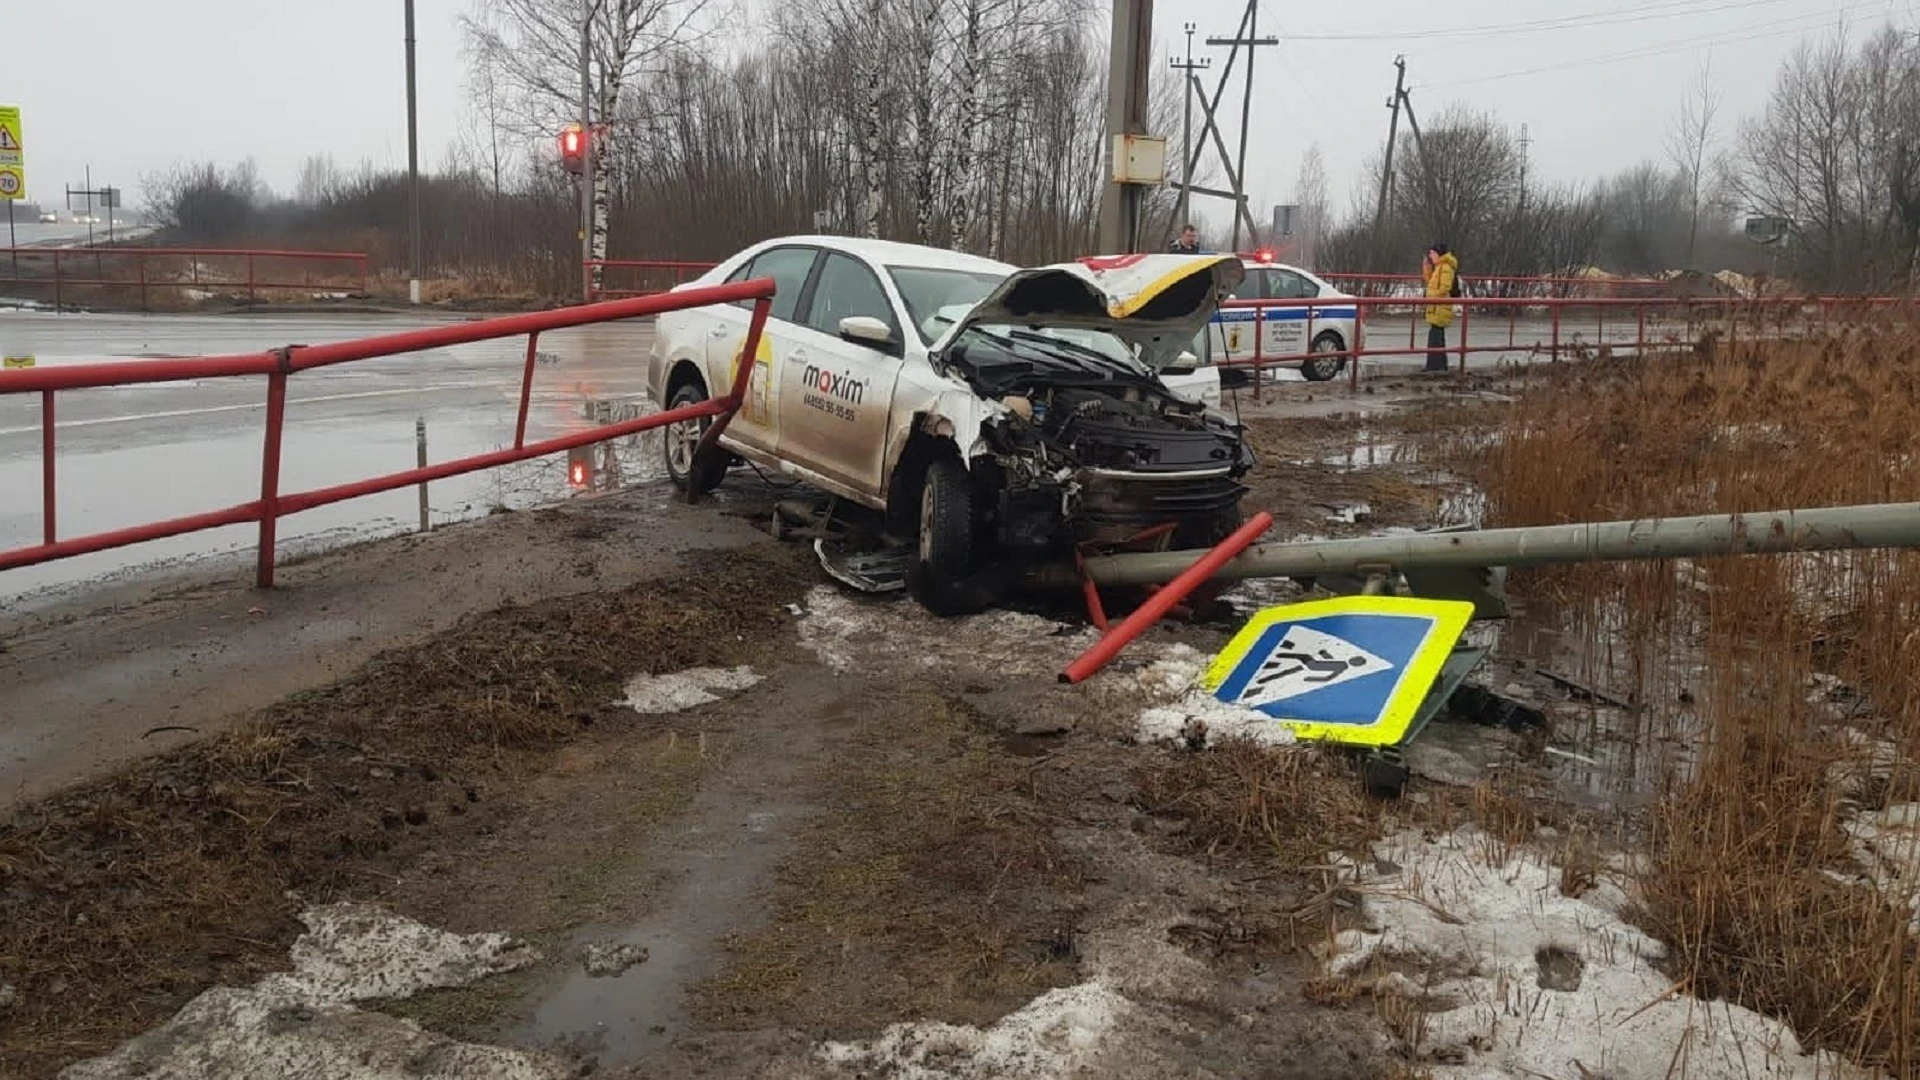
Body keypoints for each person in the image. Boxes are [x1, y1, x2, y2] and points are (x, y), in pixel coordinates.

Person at [1422, 243, 1459, 372]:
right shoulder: (1439, 267)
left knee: (1435, 337)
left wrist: (1430, 295)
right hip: (1436, 306)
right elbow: (1432, 283)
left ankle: (1434, 366)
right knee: (1437, 336)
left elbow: (1444, 288)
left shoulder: (1445, 267)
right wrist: (1427, 270)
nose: (1430, 256)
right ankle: (1439, 365)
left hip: (1440, 306)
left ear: (1438, 253)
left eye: (1432, 253)